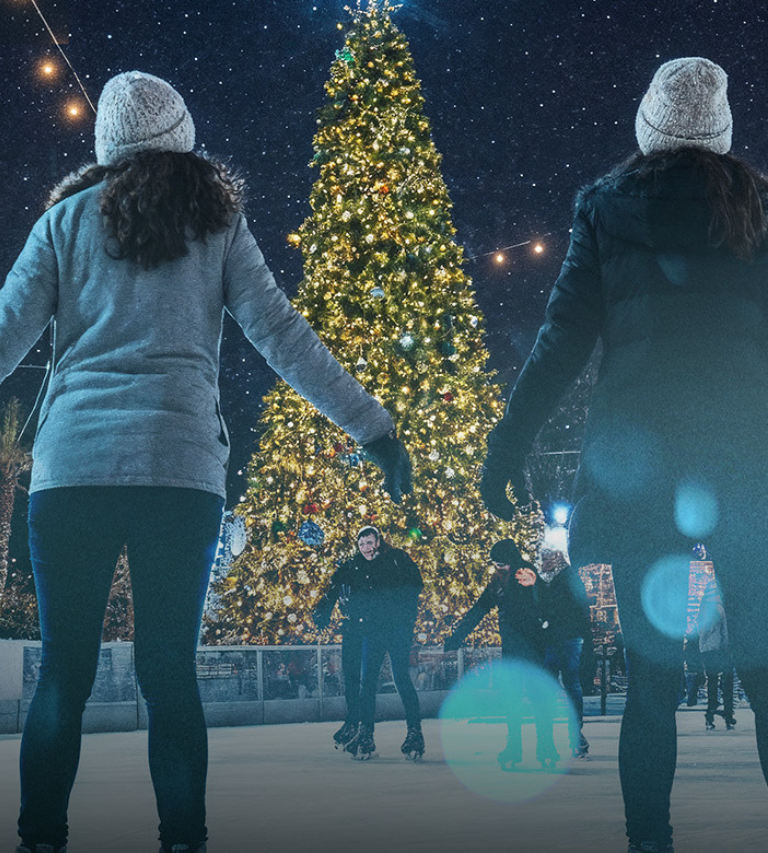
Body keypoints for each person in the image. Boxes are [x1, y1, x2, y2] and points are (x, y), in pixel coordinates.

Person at [1, 71, 412, 853]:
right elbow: (283, 336)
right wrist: (375, 430)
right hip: (180, 474)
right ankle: (183, 839)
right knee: (169, 674)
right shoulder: (217, 225)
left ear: (106, 146)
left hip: (73, 472)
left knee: (61, 674)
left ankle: (40, 839)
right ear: (183, 138)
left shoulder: (61, 224)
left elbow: (4, 332)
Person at [480, 57, 768, 853]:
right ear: (721, 129)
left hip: (642, 462)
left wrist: (508, 444)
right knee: (765, 668)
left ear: (649, 124)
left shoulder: (607, 205)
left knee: (651, 681)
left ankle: (650, 841)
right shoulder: (758, 207)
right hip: (746, 459)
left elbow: (561, 341)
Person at [444, 538, 557, 770]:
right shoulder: (499, 581)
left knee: (533, 698)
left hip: (531, 647)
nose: (499, 568)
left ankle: (542, 748)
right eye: (496, 565)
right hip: (516, 648)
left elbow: (543, 603)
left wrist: (536, 590)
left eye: (502, 564)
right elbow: (480, 608)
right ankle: (521, 747)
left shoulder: (524, 573)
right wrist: (457, 637)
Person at [328, 526, 424, 760]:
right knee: (367, 681)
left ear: (379, 542)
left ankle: (414, 732)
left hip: (398, 629)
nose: (366, 548)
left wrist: (404, 613)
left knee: (400, 677)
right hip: (373, 631)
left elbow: (416, 584)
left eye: (370, 542)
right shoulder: (358, 566)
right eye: (362, 544)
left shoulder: (397, 558)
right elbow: (345, 588)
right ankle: (366, 733)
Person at [538, 547, 593, 758]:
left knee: (568, 682)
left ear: (557, 557)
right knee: (565, 683)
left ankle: (573, 732)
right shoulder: (545, 579)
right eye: (542, 557)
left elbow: (579, 606)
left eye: (547, 557)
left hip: (567, 636)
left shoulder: (567, 577)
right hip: (557, 637)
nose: (544, 561)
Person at [697, 575, 736, 731]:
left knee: (712, 682)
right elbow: (724, 631)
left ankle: (710, 713)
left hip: (706, 651)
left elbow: (700, 631)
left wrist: (702, 647)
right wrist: (727, 647)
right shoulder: (719, 608)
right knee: (727, 681)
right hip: (720, 650)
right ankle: (728, 713)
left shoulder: (702, 610)